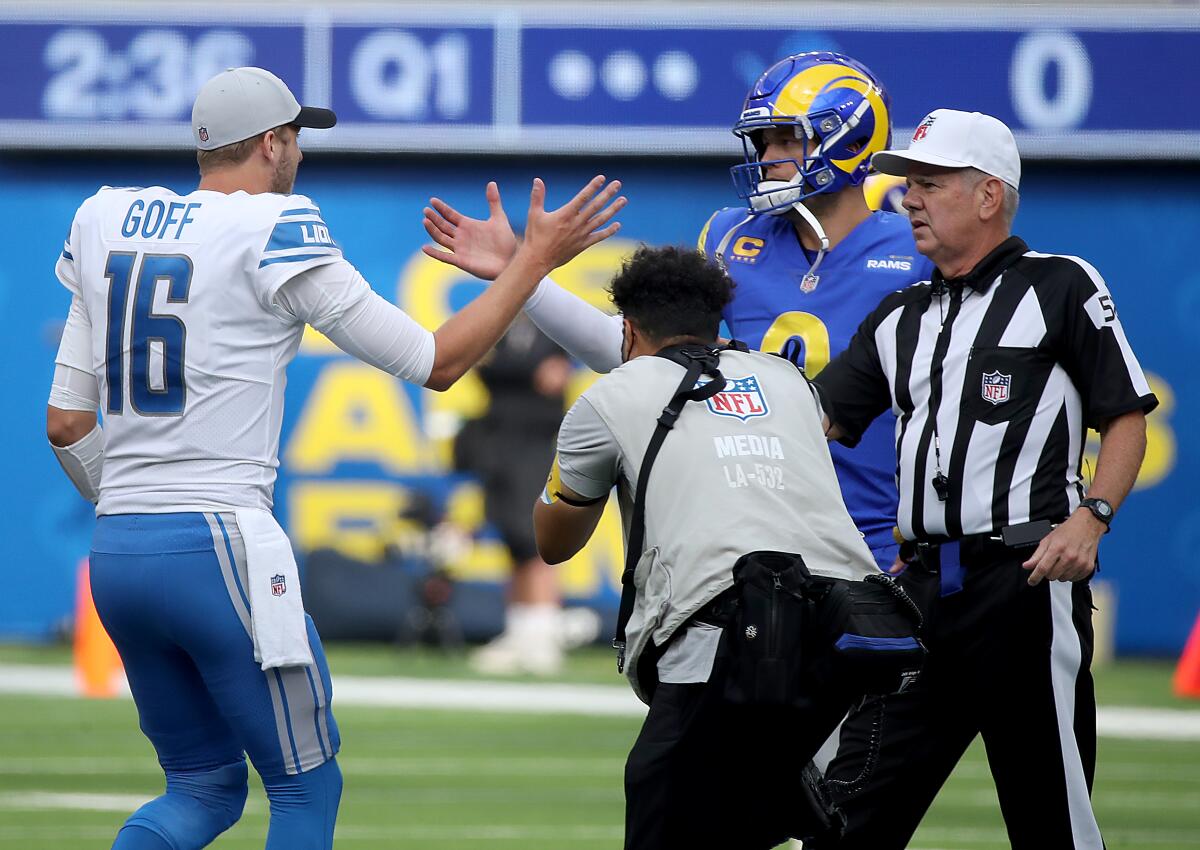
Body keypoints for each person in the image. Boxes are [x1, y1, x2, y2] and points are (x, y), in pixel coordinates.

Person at [44, 66, 624, 850]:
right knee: (304, 787)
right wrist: (531, 261)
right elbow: (437, 360)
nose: (301, 156)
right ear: (273, 143)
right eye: (297, 140)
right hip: (219, 542)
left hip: (117, 549)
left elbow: (67, 421)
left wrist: (139, 507)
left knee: (201, 790)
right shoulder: (274, 227)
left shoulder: (104, 217)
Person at [421, 52, 933, 570]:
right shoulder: (732, 236)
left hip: (871, 533)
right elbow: (632, 350)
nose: (769, 155)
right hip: (750, 536)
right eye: (764, 141)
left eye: (785, 138)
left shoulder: (916, 251)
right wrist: (521, 275)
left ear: (847, 138)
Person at [810, 109, 1157, 850]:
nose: (909, 199)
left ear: (989, 194)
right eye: (908, 184)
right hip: (923, 589)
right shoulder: (899, 313)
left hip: (1022, 584)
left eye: (929, 184)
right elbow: (820, 419)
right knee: (844, 816)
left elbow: (1125, 415)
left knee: (1051, 819)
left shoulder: (1059, 286)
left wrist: (1092, 517)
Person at [531, 245, 883, 850]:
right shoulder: (789, 381)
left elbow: (554, 541)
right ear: (718, 320)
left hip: (726, 634)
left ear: (629, 330)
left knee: (662, 820)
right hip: (848, 629)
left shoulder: (615, 393)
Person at [455, 316, 600, 675]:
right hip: (499, 442)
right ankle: (520, 631)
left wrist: (508, 373)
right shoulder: (503, 328)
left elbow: (552, 379)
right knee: (511, 538)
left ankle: (543, 633)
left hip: (534, 445)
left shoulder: (552, 330)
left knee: (533, 537)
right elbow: (475, 363)